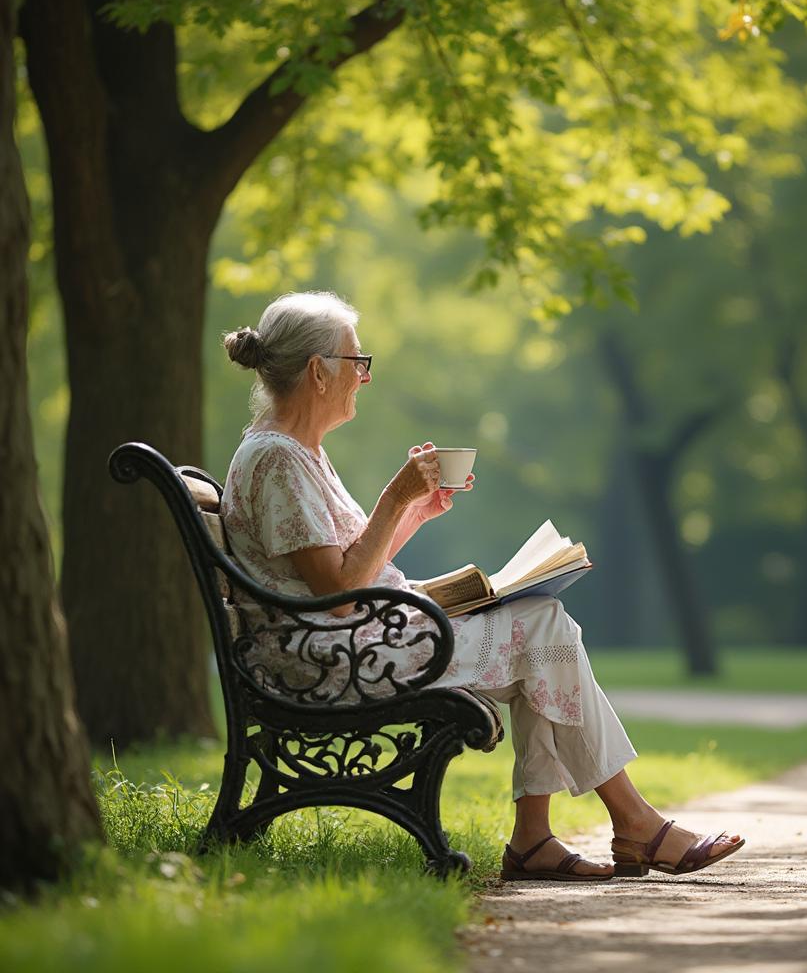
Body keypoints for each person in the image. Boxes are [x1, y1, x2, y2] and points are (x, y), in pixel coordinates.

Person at [221, 290, 744, 881]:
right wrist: (394, 498)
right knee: (544, 630)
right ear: (319, 372)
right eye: (357, 362)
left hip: (347, 640)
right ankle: (623, 826)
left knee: (543, 624)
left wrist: (414, 511)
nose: (365, 378)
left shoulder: (296, 452)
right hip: (325, 660)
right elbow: (334, 593)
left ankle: (554, 837)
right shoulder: (277, 459)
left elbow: (346, 573)